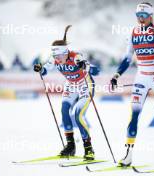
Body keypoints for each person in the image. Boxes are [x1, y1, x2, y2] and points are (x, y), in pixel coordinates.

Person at [110, 2, 154, 167]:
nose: (140, 19)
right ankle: (128, 155)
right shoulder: (133, 33)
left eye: (144, 16)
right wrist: (116, 75)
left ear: (151, 16)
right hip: (141, 77)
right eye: (138, 16)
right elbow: (127, 58)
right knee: (134, 115)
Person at [33, 25, 100, 160]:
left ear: (65, 52)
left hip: (85, 85)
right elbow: (46, 69)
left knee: (78, 115)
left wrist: (85, 66)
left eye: (58, 55)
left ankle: (88, 148)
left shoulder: (76, 56)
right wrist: (40, 69)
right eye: (55, 55)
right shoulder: (55, 58)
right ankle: (70, 146)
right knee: (64, 111)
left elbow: (96, 71)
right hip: (71, 85)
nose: (57, 59)